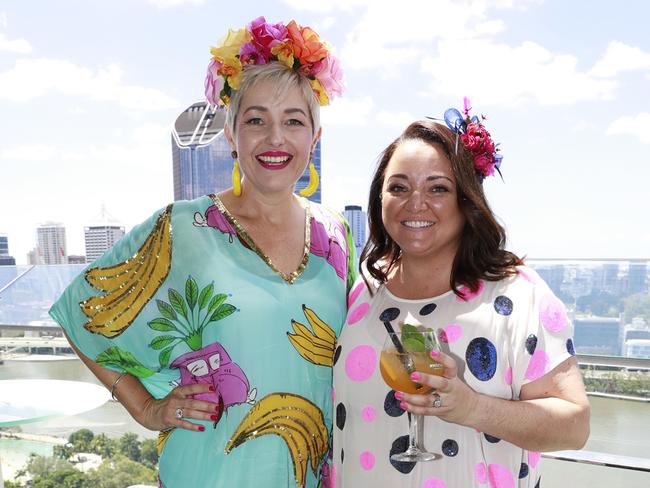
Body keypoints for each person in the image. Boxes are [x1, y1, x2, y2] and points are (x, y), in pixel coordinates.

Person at [50, 16, 354, 488]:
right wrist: (147, 409)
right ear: (231, 135)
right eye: (256, 120)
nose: (275, 138)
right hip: (209, 473)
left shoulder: (336, 234)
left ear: (314, 138)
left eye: (293, 121)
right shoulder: (183, 227)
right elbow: (80, 315)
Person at [333, 103, 590, 487]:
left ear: (466, 201)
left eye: (438, 188)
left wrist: (472, 408)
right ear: (379, 199)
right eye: (398, 187)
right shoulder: (363, 292)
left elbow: (574, 426)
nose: (415, 202)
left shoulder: (518, 294)